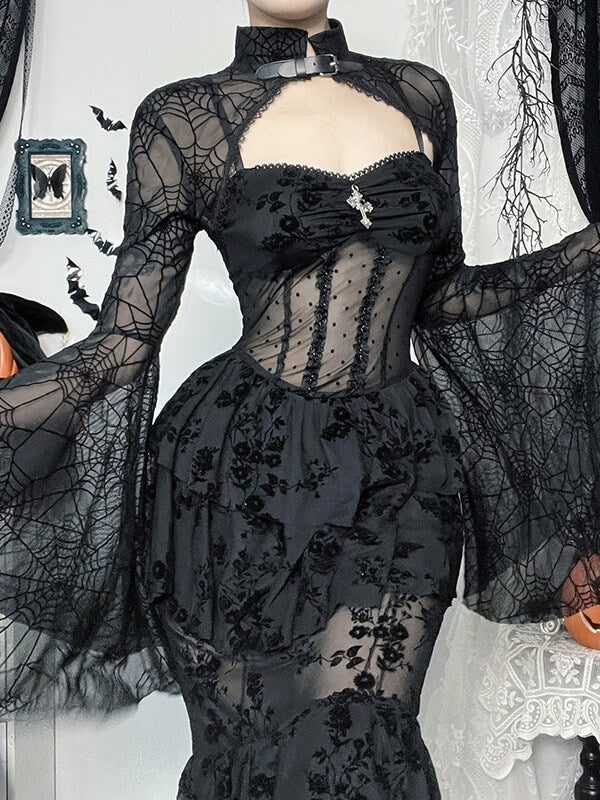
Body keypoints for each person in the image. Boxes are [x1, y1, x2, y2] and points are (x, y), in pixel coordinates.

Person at [0, 1, 599, 798]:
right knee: (254, 749)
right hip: (238, 476)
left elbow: (442, 295)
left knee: (369, 739)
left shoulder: (421, 95)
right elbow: (125, 342)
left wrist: (582, 254)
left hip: (401, 470)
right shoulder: (182, 117)